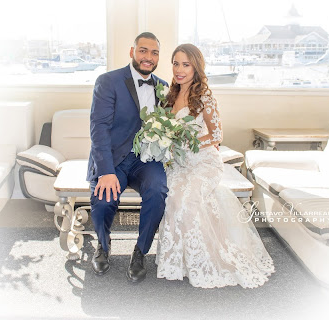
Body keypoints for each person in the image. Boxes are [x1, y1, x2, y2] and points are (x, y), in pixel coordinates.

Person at [155, 44, 274, 288]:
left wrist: (188, 141)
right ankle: (179, 263)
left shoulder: (205, 96)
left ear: (196, 67)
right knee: (173, 197)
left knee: (189, 199)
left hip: (204, 162)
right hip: (179, 163)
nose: (179, 69)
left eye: (185, 64)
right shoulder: (168, 96)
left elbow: (217, 135)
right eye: (176, 63)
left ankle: (206, 260)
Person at [87, 32, 169, 283]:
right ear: (131, 51)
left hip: (146, 160)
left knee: (158, 191)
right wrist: (106, 171)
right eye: (143, 50)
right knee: (103, 199)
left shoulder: (163, 87)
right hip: (114, 159)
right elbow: (98, 128)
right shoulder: (108, 81)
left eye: (154, 52)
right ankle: (103, 244)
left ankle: (141, 251)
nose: (148, 57)